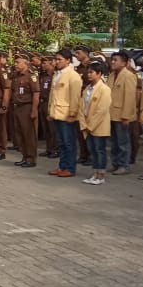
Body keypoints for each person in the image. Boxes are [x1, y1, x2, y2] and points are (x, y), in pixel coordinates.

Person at [48, 49, 82, 178]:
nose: (56, 62)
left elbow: (75, 97)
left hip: (67, 113)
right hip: (56, 112)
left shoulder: (73, 75)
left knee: (69, 142)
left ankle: (70, 168)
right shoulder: (57, 74)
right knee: (61, 142)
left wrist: (73, 113)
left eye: (59, 59)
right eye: (56, 59)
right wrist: (50, 111)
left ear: (68, 60)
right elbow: (53, 94)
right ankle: (62, 166)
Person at [79, 62, 112, 185]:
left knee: (100, 150)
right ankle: (95, 173)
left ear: (99, 74)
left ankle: (101, 175)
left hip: (99, 125)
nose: (89, 75)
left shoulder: (105, 89)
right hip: (87, 125)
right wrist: (84, 124)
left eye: (91, 72)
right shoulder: (87, 88)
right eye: (88, 72)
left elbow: (101, 110)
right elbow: (81, 107)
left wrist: (90, 126)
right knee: (92, 150)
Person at [106, 51, 137, 175]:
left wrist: (126, 116)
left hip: (122, 114)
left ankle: (124, 164)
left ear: (124, 63)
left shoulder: (128, 76)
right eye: (112, 59)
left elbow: (129, 97)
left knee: (123, 141)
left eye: (115, 60)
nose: (112, 62)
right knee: (114, 141)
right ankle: (115, 163)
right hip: (111, 113)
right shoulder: (112, 75)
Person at [9, 53, 40, 168]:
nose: (15, 64)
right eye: (15, 62)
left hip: (27, 107)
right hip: (17, 107)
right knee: (20, 134)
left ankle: (31, 158)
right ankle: (24, 156)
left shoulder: (31, 76)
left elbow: (36, 94)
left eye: (18, 62)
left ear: (25, 63)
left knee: (29, 134)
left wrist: (34, 110)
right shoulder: (16, 76)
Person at [38, 55, 57, 158]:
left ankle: (55, 149)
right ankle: (48, 148)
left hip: (51, 103)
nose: (42, 65)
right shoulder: (42, 75)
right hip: (43, 102)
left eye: (45, 63)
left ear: (51, 63)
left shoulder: (55, 75)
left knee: (52, 128)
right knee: (46, 128)